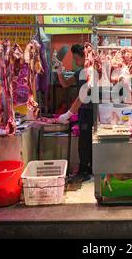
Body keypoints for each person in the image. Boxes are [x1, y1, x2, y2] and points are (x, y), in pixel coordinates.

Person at [56, 44, 93, 183]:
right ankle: (85, 169)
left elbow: (82, 96)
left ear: (85, 57)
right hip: (83, 110)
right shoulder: (79, 73)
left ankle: (85, 170)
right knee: (84, 140)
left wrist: (68, 114)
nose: (75, 61)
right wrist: (59, 72)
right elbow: (65, 84)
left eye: (77, 58)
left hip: (90, 111)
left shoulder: (91, 73)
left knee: (86, 142)